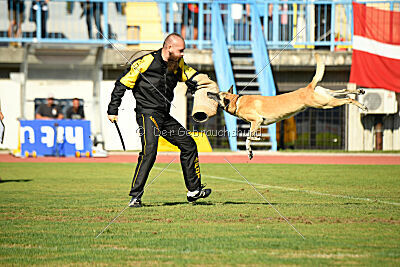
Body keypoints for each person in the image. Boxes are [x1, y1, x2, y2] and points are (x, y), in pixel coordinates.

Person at [107, 33, 211, 208]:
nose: (183, 54)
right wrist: (113, 109)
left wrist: (205, 84)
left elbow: (192, 75)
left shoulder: (177, 64)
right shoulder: (146, 61)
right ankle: (135, 197)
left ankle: (194, 190)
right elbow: (122, 83)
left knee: (189, 144)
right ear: (169, 48)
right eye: (181, 50)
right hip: (147, 114)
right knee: (150, 151)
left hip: (164, 116)